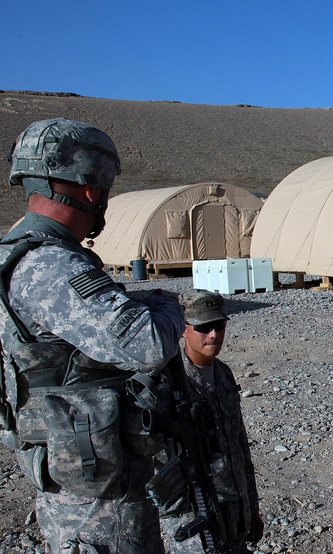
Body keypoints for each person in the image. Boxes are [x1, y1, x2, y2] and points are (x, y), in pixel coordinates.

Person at [0, 118, 186, 552]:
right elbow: (148, 342)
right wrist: (165, 305)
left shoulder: (15, 255)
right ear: (90, 190)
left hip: (72, 466)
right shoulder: (53, 266)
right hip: (98, 489)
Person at [158, 289, 263, 553]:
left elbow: (239, 445)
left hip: (235, 512)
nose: (213, 334)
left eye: (218, 325)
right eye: (204, 327)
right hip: (196, 518)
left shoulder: (223, 373)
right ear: (184, 330)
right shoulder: (169, 382)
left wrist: (252, 507)